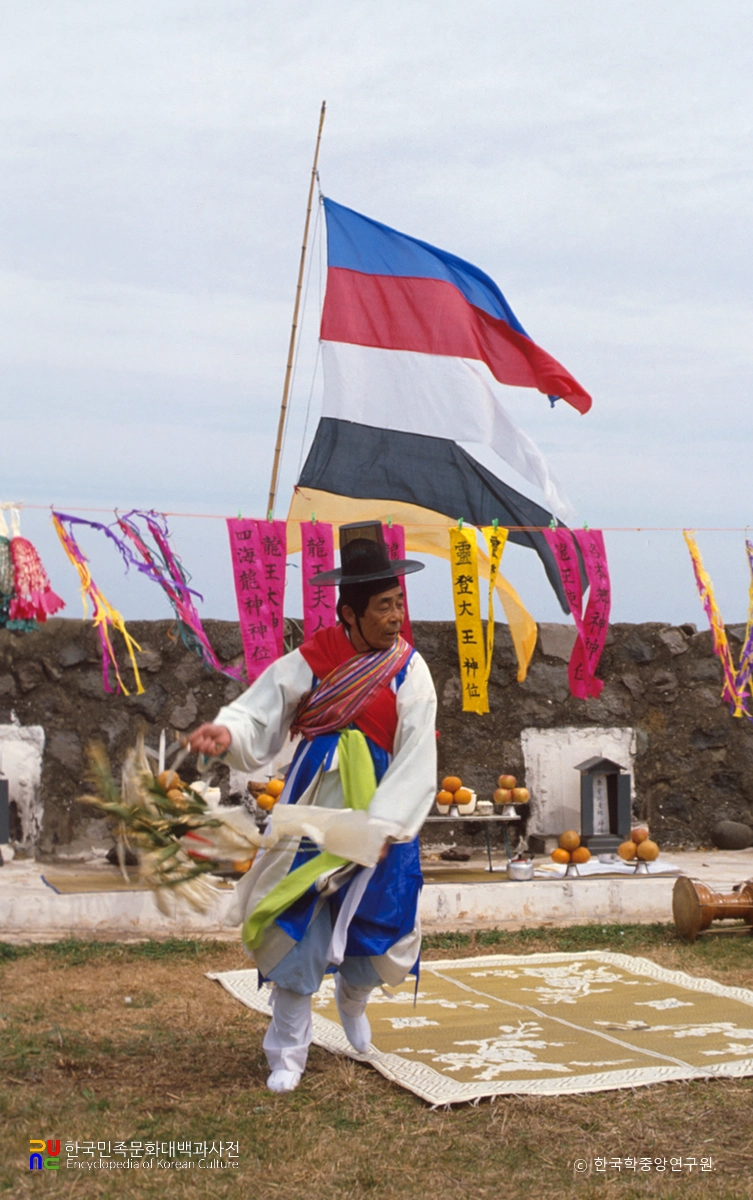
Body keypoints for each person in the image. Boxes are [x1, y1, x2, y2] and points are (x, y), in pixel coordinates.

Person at [187, 521, 437, 1093]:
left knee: (382, 913)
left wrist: (389, 822)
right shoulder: (314, 657)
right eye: (382, 607)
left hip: (381, 810)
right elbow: (260, 709)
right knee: (297, 909)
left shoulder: (410, 668)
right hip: (314, 806)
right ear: (350, 613)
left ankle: (353, 1000)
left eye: (398, 603)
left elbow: (417, 749)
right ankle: (288, 1048)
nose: (395, 617)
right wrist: (229, 733)